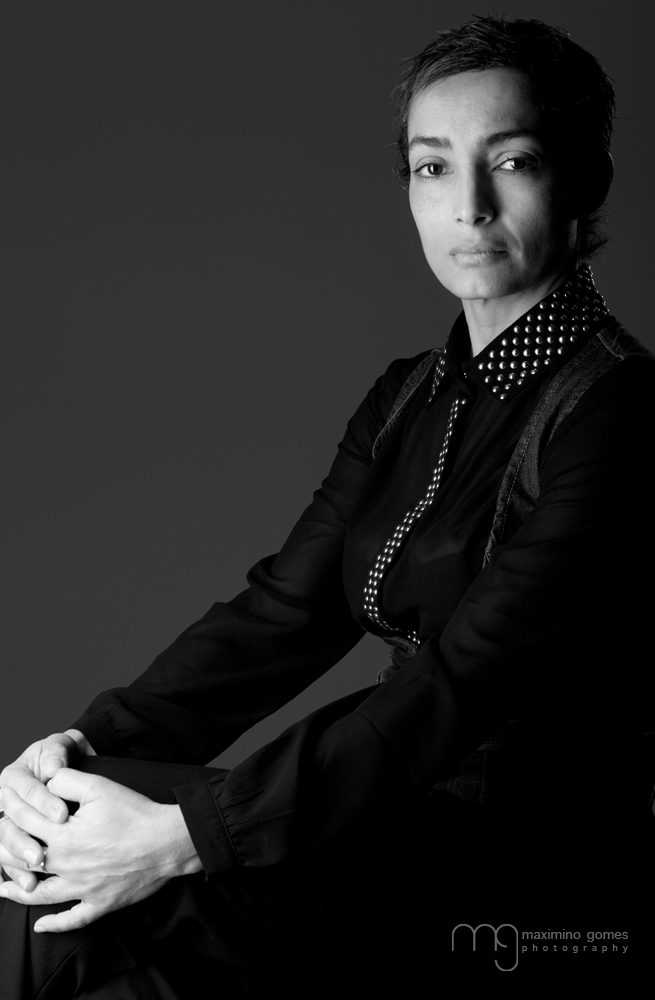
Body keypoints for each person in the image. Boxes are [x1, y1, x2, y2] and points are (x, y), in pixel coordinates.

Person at [0, 14, 653, 999]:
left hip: (528, 867)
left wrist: (190, 835)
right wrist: (78, 750)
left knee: (117, 884)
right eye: (432, 167)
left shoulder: (620, 411)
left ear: (582, 181)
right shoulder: (406, 396)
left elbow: (463, 681)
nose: (467, 205)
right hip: (388, 806)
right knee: (69, 837)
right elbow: (280, 613)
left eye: (511, 161)